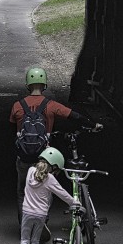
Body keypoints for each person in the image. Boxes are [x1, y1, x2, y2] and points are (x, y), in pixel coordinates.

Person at [9, 66, 102, 225]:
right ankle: (42, 221)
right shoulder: (50, 105)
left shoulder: (17, 106)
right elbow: (74, 116)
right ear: (44, 84)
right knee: (46, 189)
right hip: (43, 156)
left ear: (28, 85)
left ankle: (25, 223)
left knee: (22, 192)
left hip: (24, 156)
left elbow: (13, 129)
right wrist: (93, 124)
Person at [19, 147, 77, 244]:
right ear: (54, 166)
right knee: (35, 241)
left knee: (25, 239)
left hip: (27, 212)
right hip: (40, 215)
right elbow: (62, 193)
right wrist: (75, 203)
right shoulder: (50, 179)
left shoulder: (30, 171)